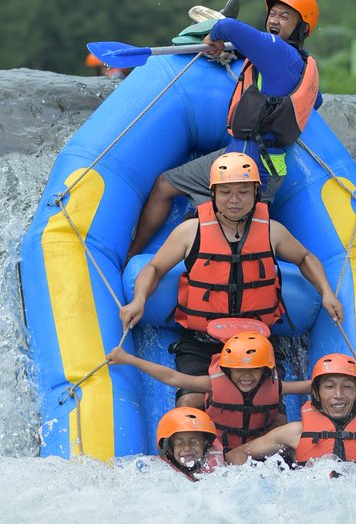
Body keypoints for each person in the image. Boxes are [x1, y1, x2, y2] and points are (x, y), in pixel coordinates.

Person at [119, 152, 343, 406]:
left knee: (267, 409)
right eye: (225, 192)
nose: (234, 200)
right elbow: (154, 269)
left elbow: (304, 258)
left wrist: (327, 292)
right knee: (190, 403)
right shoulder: (190, 232)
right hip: (203, 340)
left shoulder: (272, 231)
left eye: (243, 192)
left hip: (257, 341)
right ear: (213, 193)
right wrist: (138, 301)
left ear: (256, 193)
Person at [127, 0, 321, 258]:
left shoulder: (279, 52)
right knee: (165, 184)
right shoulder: (300, 62)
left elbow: (228, 27)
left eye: (285, 17)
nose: (275, 21)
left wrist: (214, 36)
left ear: (302, 28)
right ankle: (133, 255)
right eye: (273, 14)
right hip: (245, 156)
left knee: (228, 239)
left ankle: (138, 257)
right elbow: (315, 100)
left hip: (253, 164)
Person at [108, 327, 311, 451]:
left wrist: (328, 379)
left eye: (254, 370)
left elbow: (308, 386)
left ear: (265, 371)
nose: (246, 376)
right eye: (238, 370)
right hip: (218, 446)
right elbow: (172, 377)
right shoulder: (214, 384)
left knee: (281, 424)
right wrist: (129, 359)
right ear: (228, 370)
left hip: (254, 447)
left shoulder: (274, 387)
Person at [224, 354, 356, 475]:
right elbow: (236, 454)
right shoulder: (295, 433)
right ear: (317, 394)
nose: (338, 395)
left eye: (347, 387)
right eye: (329, 387)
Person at [155, 407, 223, 482]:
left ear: (204, 444)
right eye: (179, 443)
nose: (187, 448)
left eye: (193, 441)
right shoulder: (159, 472)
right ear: (169, 449)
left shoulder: (218, 467)